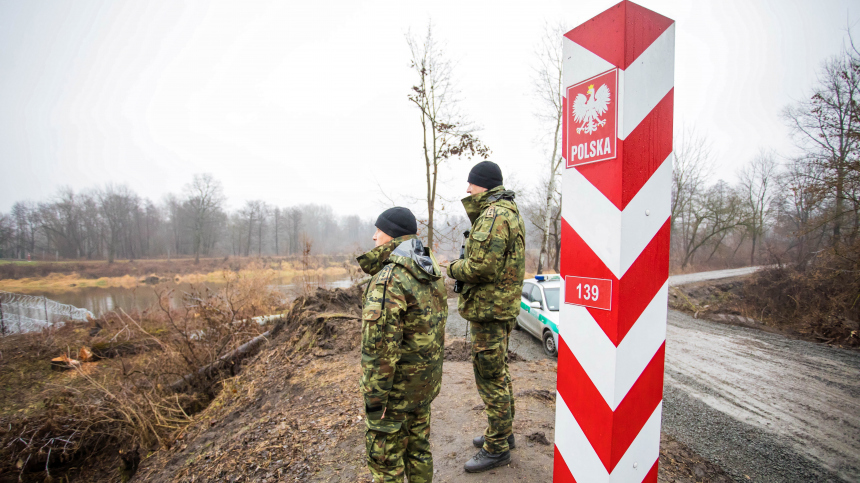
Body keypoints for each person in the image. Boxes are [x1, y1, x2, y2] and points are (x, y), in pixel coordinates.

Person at [356, 207, 448, 483]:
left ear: (393, 235)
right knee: (419, 451)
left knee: (385, 465)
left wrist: (375, 401)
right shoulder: (429, 268)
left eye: (379, 231)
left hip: (394, 395)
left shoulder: (389, 278)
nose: (374, 238)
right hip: (423, 387)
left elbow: (380, 349)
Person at [447, 161, 526, 473]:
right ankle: (503, 434)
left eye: (471, 184)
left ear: (483, 184)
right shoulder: (507, 210)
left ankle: (497, 449)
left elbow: (481, 267)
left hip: (490, 312)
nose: (467, 190)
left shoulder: (493, 215)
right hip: (498, 309)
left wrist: (450, 267)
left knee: (490, 378)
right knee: (499, 373)